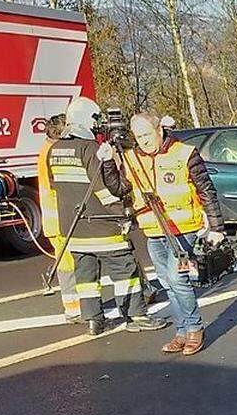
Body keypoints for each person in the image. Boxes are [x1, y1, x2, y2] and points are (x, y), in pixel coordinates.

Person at [105, 113, 226, 356]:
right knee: (167, 281)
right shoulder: (131, 158)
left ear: (159, 129)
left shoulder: (184, 153)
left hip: (183, 229)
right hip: (154, 230)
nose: (143, 141)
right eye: (138, 136)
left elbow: (206, 190)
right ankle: (181, 331)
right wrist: (108, 163)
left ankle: (195, 329)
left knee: (178, 277)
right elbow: (120, 189)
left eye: (147, 135)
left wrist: (217, 228)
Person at [46, 97, 167, 336]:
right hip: (101, 226)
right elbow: (105, 188)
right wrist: (122, 216)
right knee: (125, 269)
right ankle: (135, 315)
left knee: (86, 277)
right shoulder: (89, 149)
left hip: (74, 229)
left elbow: (56, 186)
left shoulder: (55, 150)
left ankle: (94, 320)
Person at [36, 113, 81, 323]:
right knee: (69, 264)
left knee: (67, 262)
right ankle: (73, 308)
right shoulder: (53, 152)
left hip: (56, 218)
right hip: (61, 217)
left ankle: (73, 306)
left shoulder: (46, 149)